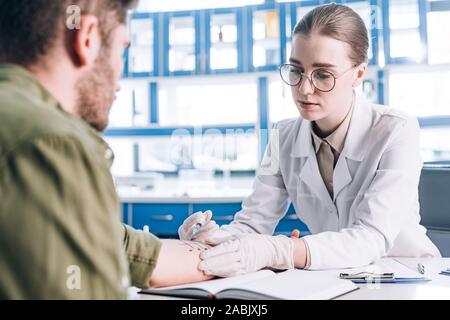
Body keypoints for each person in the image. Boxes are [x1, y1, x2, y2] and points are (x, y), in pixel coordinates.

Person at [179, 3, 441, 278]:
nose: (304, 89)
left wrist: (280, 251)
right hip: (335, 279)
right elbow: (253, 225)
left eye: (323, 74)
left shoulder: (397, 131)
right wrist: (216, 237)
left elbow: (371, 237)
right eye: (296, 71)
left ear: (358, 74)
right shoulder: (281, 136)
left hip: (405, 276)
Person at [0, 0, 213, 299]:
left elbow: (125, 249)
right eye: (122, 49)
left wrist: (221, 252)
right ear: (86, 38)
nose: (120, 79)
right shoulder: (53, 143)